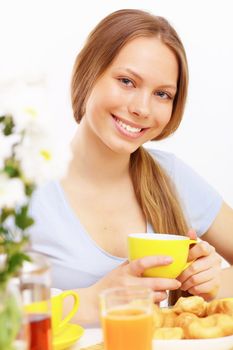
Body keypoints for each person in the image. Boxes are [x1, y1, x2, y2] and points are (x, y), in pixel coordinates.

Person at [29, 9, 233, 325]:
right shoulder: (20, 186)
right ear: (88, 71)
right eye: (126, 81)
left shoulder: (172, 177)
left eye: (162, 94)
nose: (141, 108)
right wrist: (91, 303)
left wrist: (216, 282)